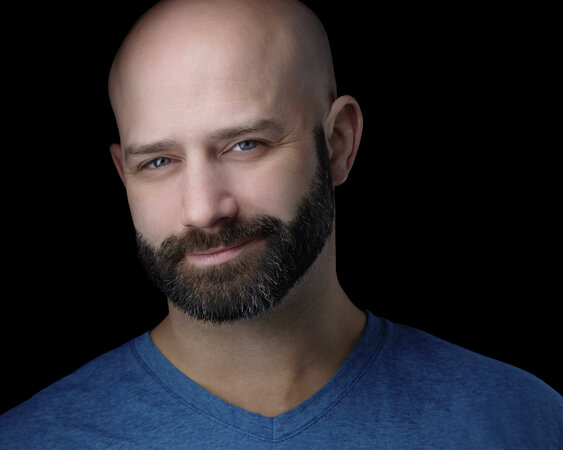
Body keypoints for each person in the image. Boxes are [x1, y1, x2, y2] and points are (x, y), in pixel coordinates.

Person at [1, 0, 561, 447]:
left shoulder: (524, 421)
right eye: (159, 162)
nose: (203, 210)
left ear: (338, 143)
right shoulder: (31, 439)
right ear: (123, 174)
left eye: (245, 145)